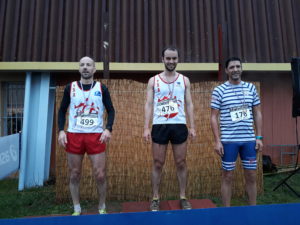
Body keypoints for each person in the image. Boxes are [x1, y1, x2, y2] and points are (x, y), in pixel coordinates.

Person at [58, 56, 115, 215]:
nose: (85, 67)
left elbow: (111, 110)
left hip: (96, 136)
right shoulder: (71, 88)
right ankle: (77, 207)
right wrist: (61, 130)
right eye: (82, 65)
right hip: (74, 135)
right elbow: (62, 110)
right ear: (79, 69)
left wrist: (108, 129)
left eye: (88, 65)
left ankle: (102, 206)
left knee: (100, 174)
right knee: (75, 174)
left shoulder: (101, 88)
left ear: (94, 69)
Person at [143, 46, 196, 211]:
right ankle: (155, 198)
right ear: (162, 59)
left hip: (179, 125)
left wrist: (192, 126)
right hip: (159, 125)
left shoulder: (184, 80)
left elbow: (189, 103)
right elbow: (149, 104)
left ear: (178, 59)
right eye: (168, 58)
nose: (171, 61)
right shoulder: (153, 80)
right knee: (158, 163)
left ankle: (183, 196)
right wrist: (146, 127)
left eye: (174, 58)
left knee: (181, 162)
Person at [210, 57, 263, 207]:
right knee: (227, 176)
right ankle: (227, 211)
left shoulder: (251, 88)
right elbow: (213, 117)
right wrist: (217, 140)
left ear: (242, 68)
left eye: (238, 66)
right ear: (226, 70)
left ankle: (253, 210)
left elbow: (257, 113)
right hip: (229, 141)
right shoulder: (219, 90)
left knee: (252, 176)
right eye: (232, 67)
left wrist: (259, 137)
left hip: (249, 140)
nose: (235, 69)